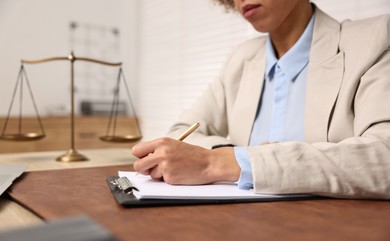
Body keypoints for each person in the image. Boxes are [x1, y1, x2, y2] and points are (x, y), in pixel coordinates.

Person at [132, 0, 390, 199]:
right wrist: (229, 156)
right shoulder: (241, 59)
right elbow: (181, 132)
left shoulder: (372, 40)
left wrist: (221, 163)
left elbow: (384, 158)